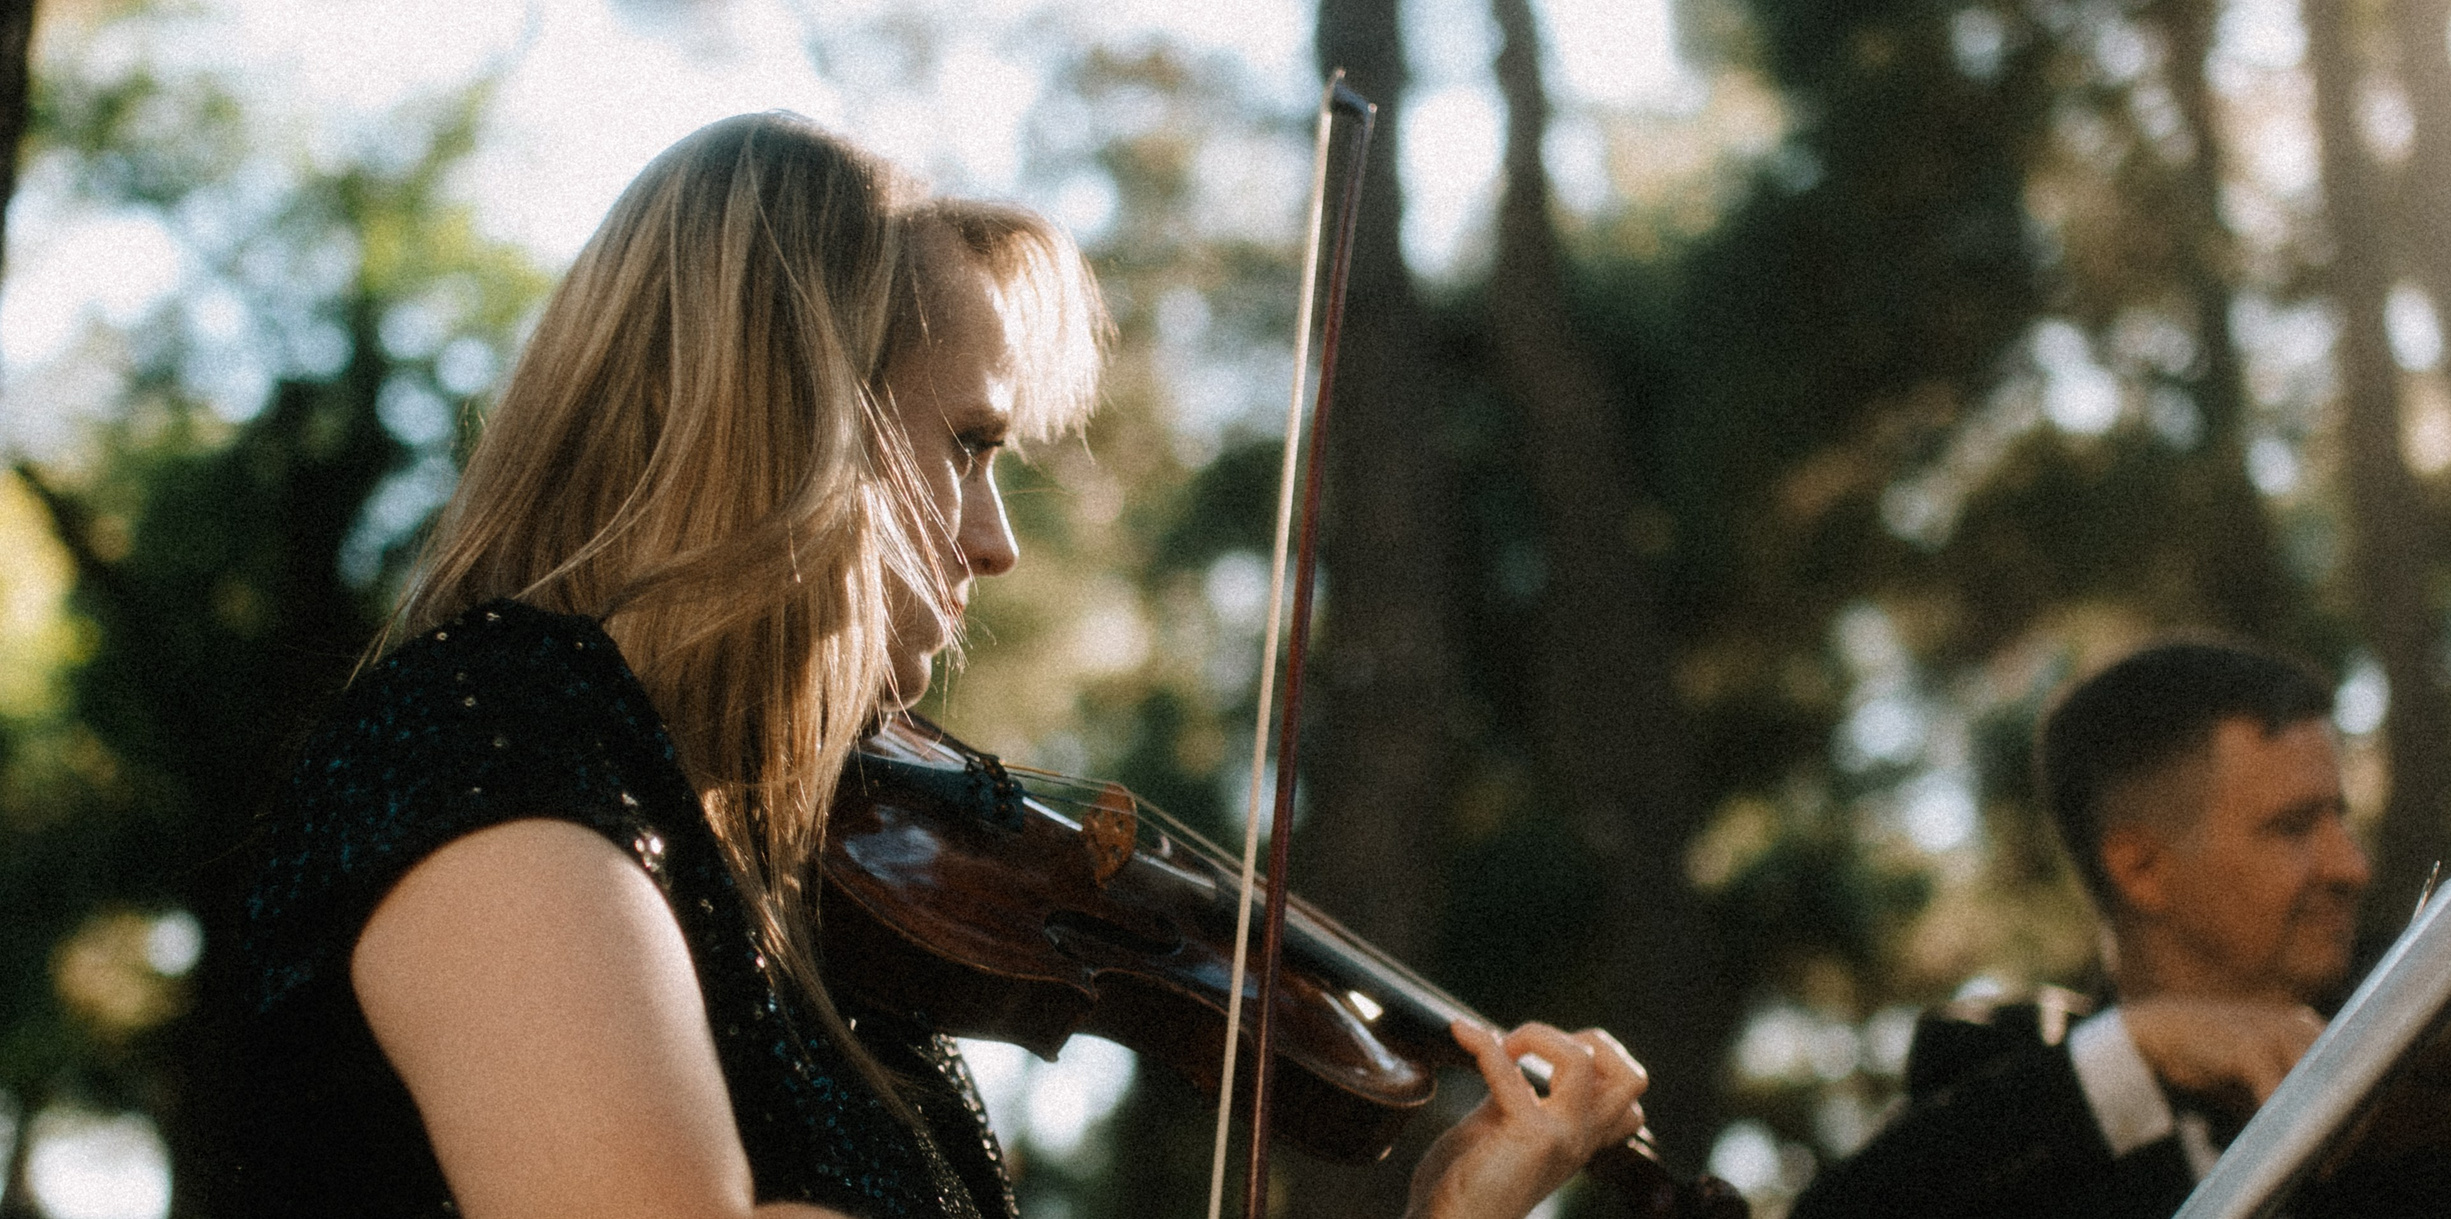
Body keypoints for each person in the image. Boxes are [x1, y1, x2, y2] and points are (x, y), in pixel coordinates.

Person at [233, 111, 1647, 1219]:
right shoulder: (494, 737)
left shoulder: (796, 899)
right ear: (788, 421)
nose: (995, 542)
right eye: (967, 445)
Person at [1791, 640, 2373, 1219]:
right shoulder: (2002, 1079)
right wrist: (2136, 1049)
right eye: (2294, 827)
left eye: (2339, 819)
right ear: (2141, 868)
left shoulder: (2417, 1065)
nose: (2352, 865)